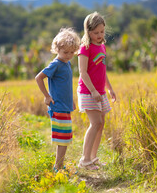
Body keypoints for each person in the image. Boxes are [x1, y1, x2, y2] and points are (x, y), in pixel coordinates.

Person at [35, 27, 80, 171]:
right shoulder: (56, 64)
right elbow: (39, 78)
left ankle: (59, 165)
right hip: (57, 106)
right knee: (63, 138)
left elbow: (65, 85)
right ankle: (58, 166)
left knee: (65, 138)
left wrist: (71, 100)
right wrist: (46, 96)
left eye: (71, 52)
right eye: (65, 52)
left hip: (64, 105)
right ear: (57, 49)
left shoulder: (67, 63)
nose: (68, 55)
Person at [77, 12, 116, 170]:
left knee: (101, 124)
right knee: (96, 123)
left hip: (100, 92)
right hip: (88, 92)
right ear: (88, 31)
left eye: (101, 32)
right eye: (95, 33)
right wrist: (93, 91)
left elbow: (102, 71)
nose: (99, 35)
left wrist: (110, 89)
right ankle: (85, 160)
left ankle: (93, 158)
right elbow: (83, 72)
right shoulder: (85, 48)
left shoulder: (102, 46)